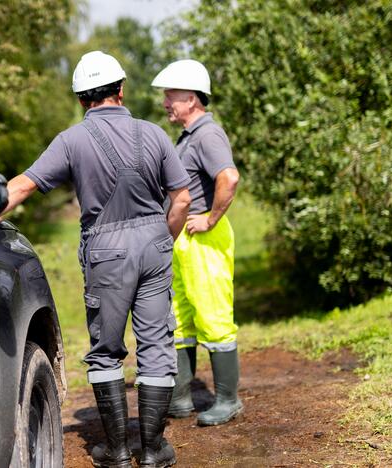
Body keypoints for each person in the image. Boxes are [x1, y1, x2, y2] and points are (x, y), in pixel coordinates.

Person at [0, 51, 191, 468]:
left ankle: (119, 451)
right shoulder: (154, 134)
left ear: (82, 99)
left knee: (106, 350)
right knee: (156, 342)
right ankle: (153, 450)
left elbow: (24, 187)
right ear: (121, 90)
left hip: (106, 251)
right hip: (155, 242)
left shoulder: (71, 140)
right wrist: (163, 240)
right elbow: (182, 199)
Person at [151, 59, 243, 427]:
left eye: (170, 95)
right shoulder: (189, 135)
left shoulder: (207, 134)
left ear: (191, 98)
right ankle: (182, 398)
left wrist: (211, 218)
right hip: (187, 240)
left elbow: (229, 178)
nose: (166, 103)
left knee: (213, 317)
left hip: (205, 237)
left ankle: (227, 400)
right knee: (184, 318)